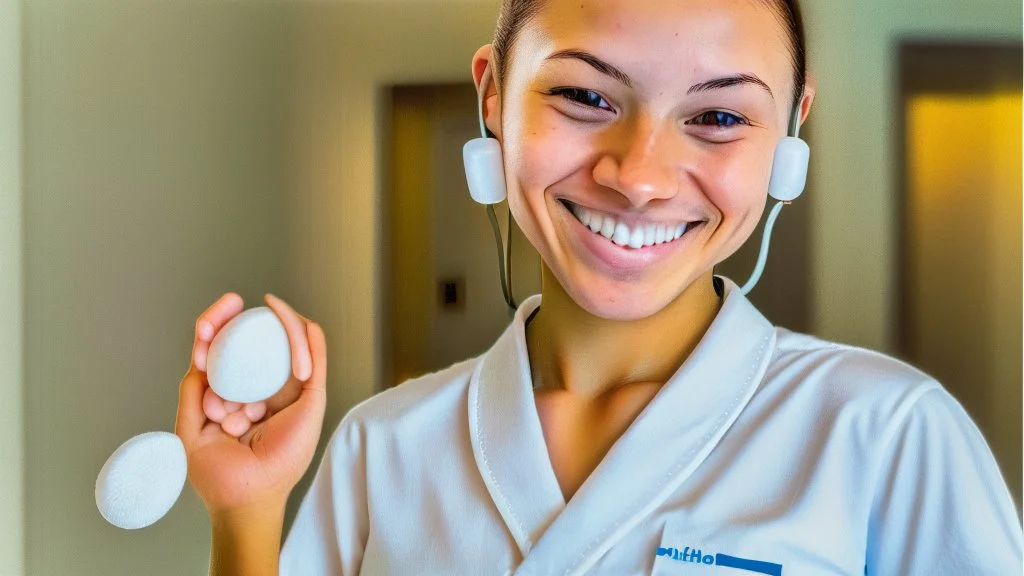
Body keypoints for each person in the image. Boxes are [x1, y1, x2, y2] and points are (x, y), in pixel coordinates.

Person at [175, 0, 1024, 574]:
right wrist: (246, 514)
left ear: (790, 139)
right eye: (585, 95)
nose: (640, 177)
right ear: (495, 98)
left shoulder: (888, 435)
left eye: (719, 116)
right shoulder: (383, 448)